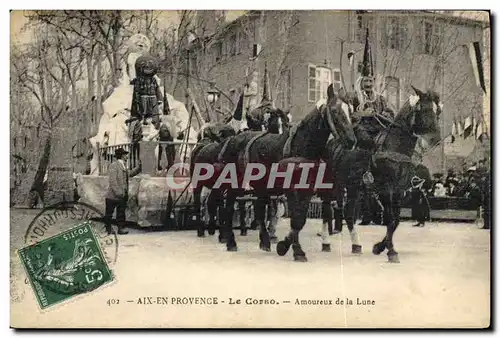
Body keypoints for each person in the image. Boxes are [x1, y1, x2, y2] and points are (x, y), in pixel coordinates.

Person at [104, 148, 141, 235]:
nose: (127, 156)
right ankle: (108, 229)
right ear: (122, 155)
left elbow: (130, 174)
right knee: (109, 213)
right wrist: (118, 192)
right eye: (126, 154)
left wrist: (139, 167)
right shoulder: (114, 165)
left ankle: (120, 229)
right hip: (113, 195)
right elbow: (113, 181)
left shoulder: (123, 165)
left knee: (121, 214)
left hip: (121, 195)